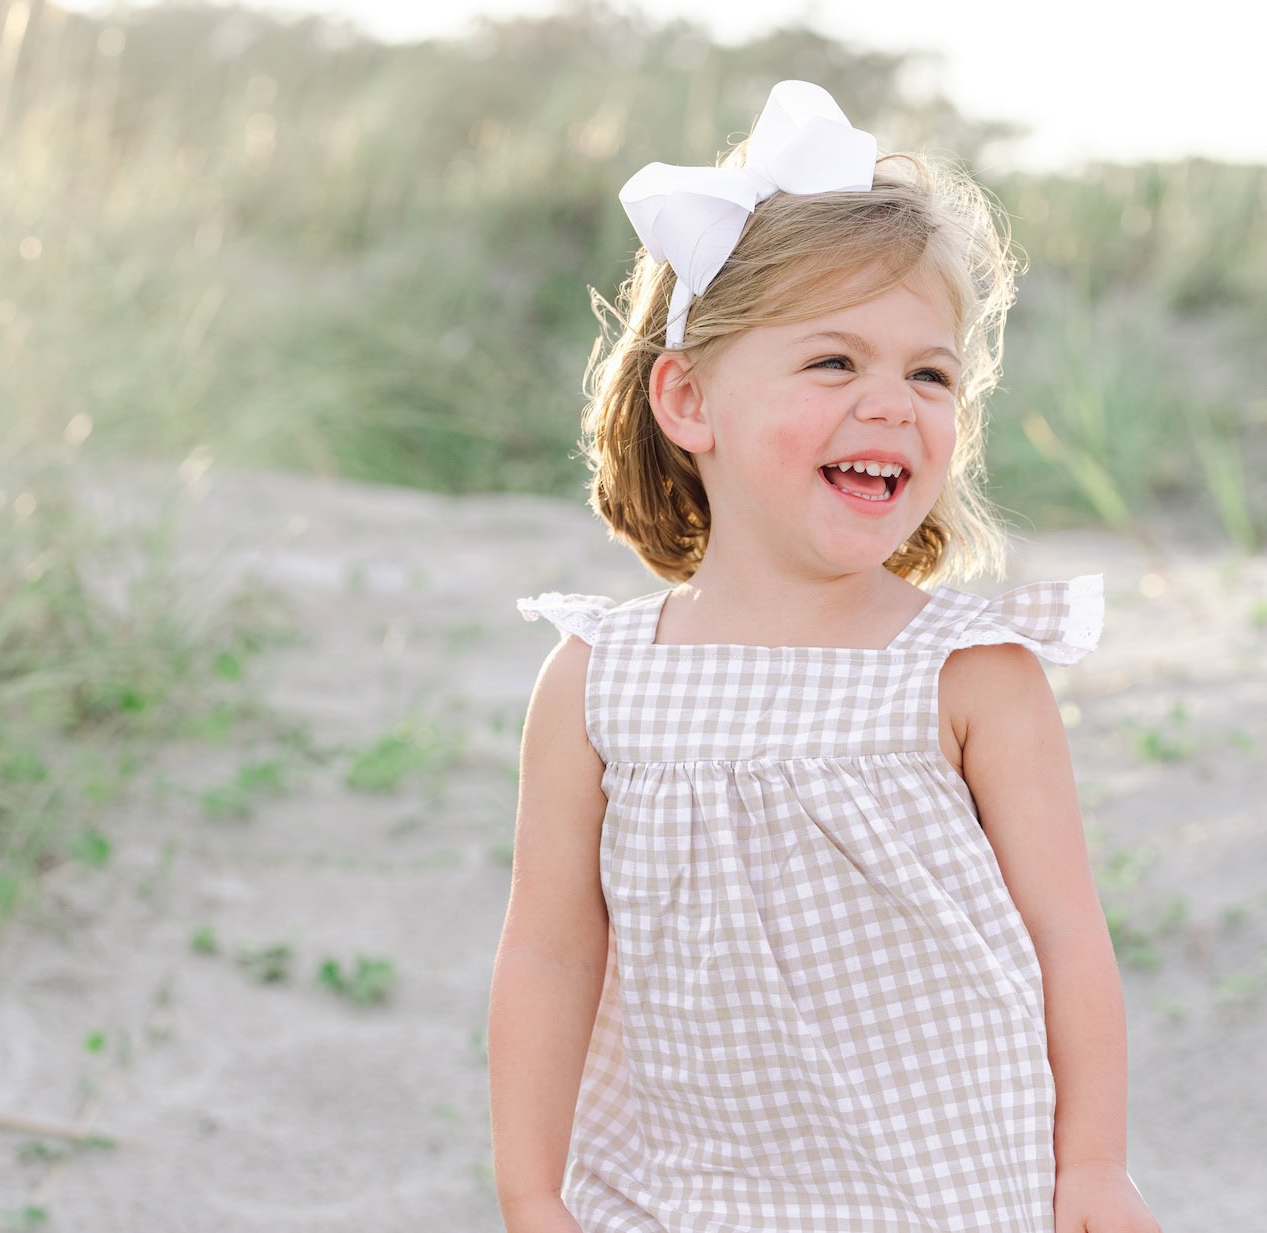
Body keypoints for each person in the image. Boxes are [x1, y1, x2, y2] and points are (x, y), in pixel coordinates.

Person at [488, 80, 1159, 1233]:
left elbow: (1064, 935)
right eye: (834, 364)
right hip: (684, 1189)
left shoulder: (967, 671)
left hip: (944, 1182)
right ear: (689, 398)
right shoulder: (599, 679)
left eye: (929, 373)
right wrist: (529, 1192)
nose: (891, 405)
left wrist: (1089, 1165)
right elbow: (550, 951)